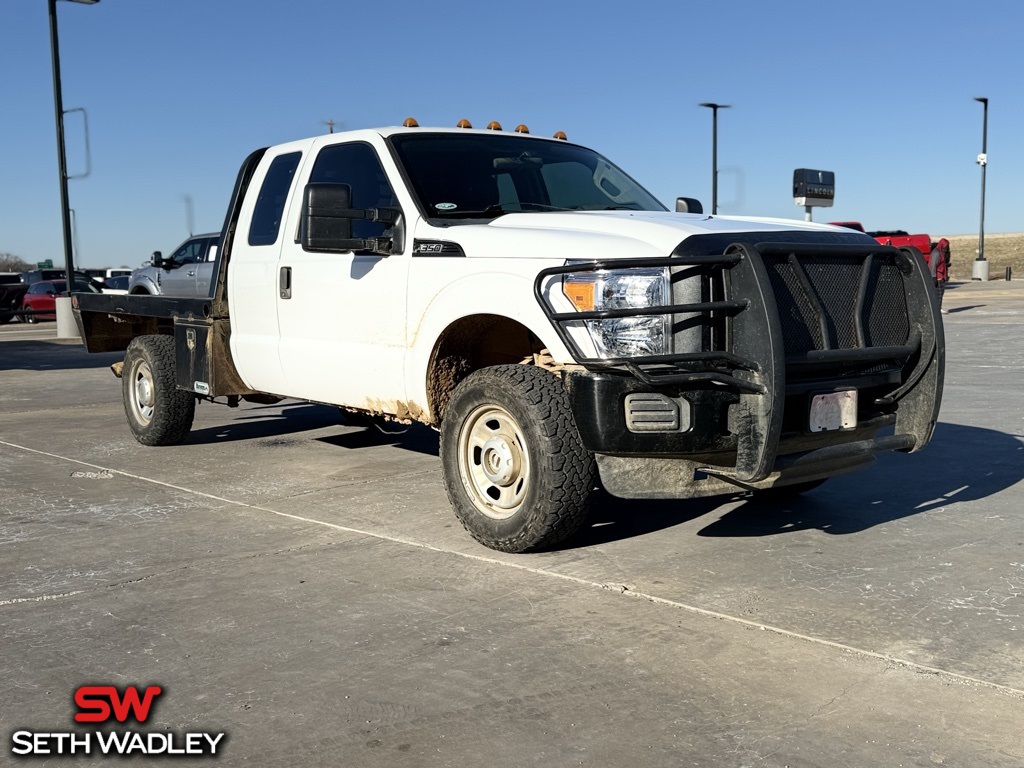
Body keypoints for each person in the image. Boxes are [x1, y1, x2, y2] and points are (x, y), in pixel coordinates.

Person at [930, 238, 950, 314]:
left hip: (941, 276)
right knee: (938, 293)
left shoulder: (941, 253)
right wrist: (933, 277)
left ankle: (939, 307)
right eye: (946, 247)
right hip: (937, 276)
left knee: (941, 292)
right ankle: (937, 309)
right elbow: (933, 265)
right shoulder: (936, 253)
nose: (946, 249)